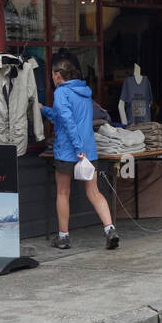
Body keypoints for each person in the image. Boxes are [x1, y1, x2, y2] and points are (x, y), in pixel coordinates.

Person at [40, 54, 119, 250]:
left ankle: (63, 237)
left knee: (63, 192)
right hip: (89, 150)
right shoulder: (84, 92)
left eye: (52, 75)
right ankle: (110, 229)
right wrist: (44, 110)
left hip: (69, 151)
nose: (51, 79)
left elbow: (67, 122)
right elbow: (62, 116)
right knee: (93, 191)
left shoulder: (61, 92)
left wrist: (77, 148)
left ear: (58, 75)